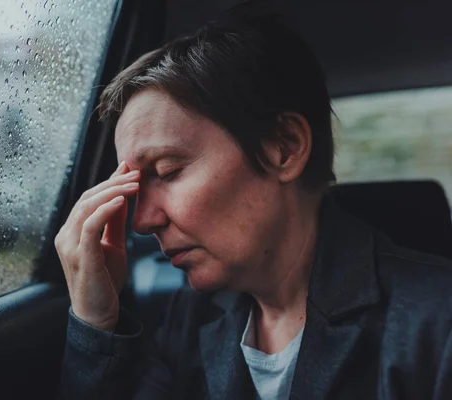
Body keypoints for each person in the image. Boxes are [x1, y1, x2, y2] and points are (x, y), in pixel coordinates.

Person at [54, 5, 452, 400]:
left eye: (169, 171)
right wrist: (96, 324)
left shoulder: (437, 326)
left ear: (284, 147)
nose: (141, 221)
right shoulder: (190, 319)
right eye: (136, 188)